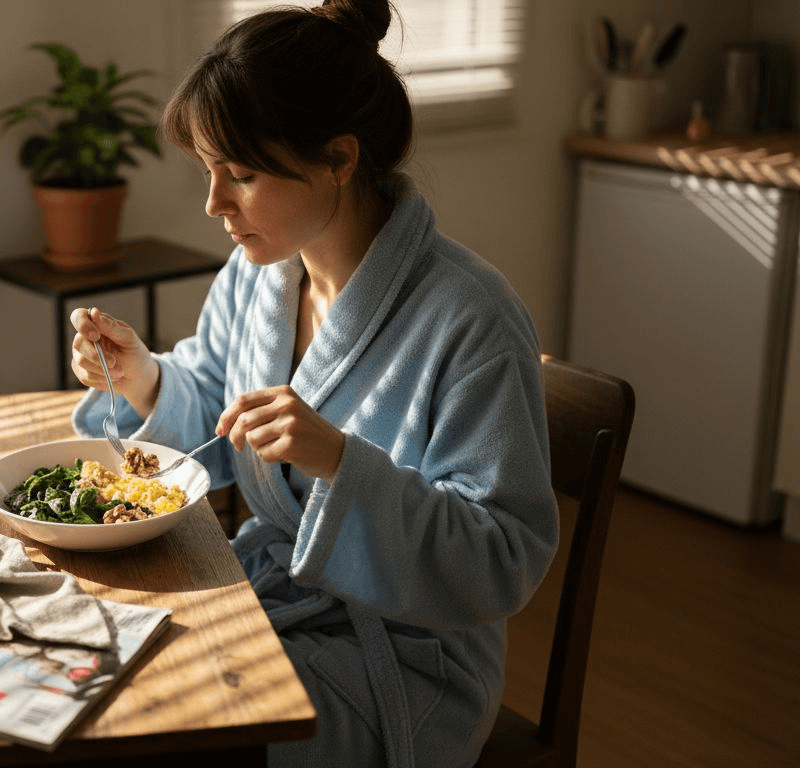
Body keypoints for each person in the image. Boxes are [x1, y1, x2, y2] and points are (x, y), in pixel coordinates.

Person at [67, 1, 558, 766]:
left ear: (338, 157)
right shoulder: (259, 272)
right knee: (90, 675)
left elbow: (500, 560)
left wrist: (340, 461)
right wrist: (144, 379)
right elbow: (218, 419)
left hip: (402, 660)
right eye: (208, 173)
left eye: (242, 175)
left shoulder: (471, 317)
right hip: (273, 603)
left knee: (159, 724)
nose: (214, 205)